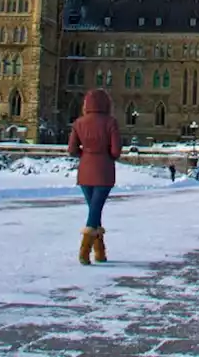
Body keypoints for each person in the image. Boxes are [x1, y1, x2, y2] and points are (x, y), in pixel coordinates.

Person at [68, 88, 122, 265]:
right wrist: (105, 153)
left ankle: (100, 252)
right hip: (104, 171)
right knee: (95, 211)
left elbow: (72, 150)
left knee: (94, 210)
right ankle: (84, 251)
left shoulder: (79, 123)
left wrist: (87, 152)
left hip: (85, 171)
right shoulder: (110, 122)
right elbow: (116, 151)